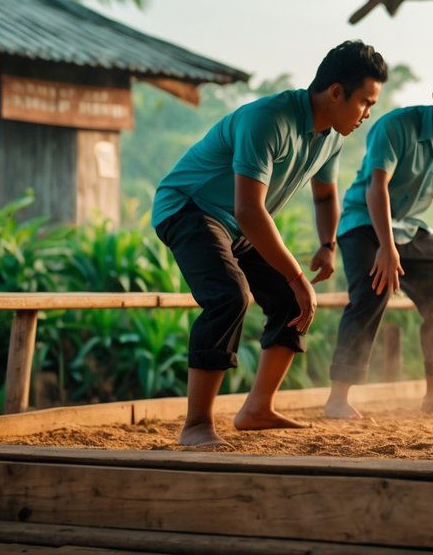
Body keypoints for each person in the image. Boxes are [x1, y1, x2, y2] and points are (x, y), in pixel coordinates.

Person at [153, 41, 388, 447]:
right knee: (229, 296)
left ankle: (257, 409)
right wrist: (297, 274)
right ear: (336, 92)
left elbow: (325, 195)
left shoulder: (331, 137)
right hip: (189, 207)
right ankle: (195, 426)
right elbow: (249, 209)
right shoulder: (269, 119)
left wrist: (328, 244)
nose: (367, 114)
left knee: (289, 301)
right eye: (365, 103)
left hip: (237, 227)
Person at [324, 56, 433, 419]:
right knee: (372, 289)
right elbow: (376, 188)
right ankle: (338, 397)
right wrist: (385, 247)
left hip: (410, 227)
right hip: (364, 221)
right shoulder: (395, 127)